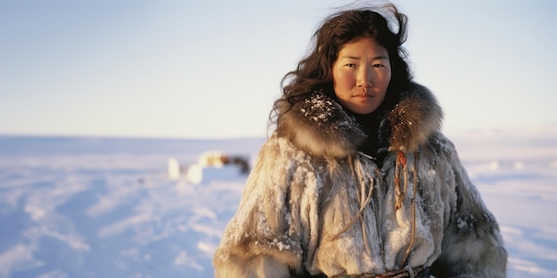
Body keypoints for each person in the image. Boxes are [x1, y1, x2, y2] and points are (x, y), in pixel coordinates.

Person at [213, 2, 507, 278]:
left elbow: (475, 246)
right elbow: (251, 257)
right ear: (330, 70)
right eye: (351, 65)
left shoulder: (431, 150)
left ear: (393, 70)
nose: (365, 79)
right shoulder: (290, 154)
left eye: (378, 65)